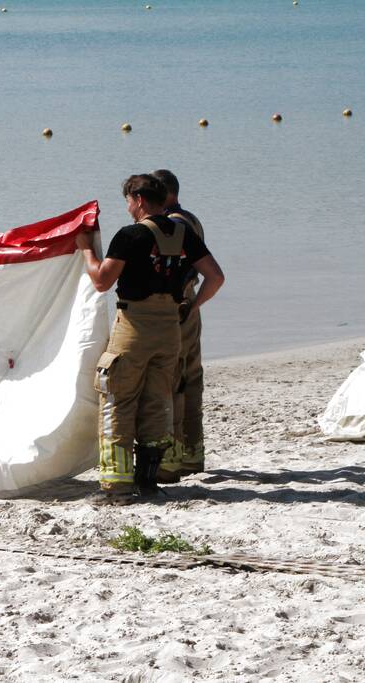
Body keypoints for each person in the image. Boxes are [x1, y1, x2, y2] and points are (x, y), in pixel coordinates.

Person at [74, 174, 224, 504]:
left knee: (118, 400)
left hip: (134, 328)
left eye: (128, 201)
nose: (127, 208)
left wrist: (86, 251)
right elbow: (215, 277)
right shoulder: (183, 233)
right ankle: (149, 482)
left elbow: (101, 281)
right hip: (169, 329)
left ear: (140, 200)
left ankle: (116, 487)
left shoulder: (130, 235)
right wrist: (191, 306)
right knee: (158, 402)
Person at [152, 169, 207, 482]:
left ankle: (172, 459)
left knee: (174, 380)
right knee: (190, 378)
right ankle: (191, 455)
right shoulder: (191, 218)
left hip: (179, 305)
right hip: (191, 304)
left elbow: (181, 268)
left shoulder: (175, 224)